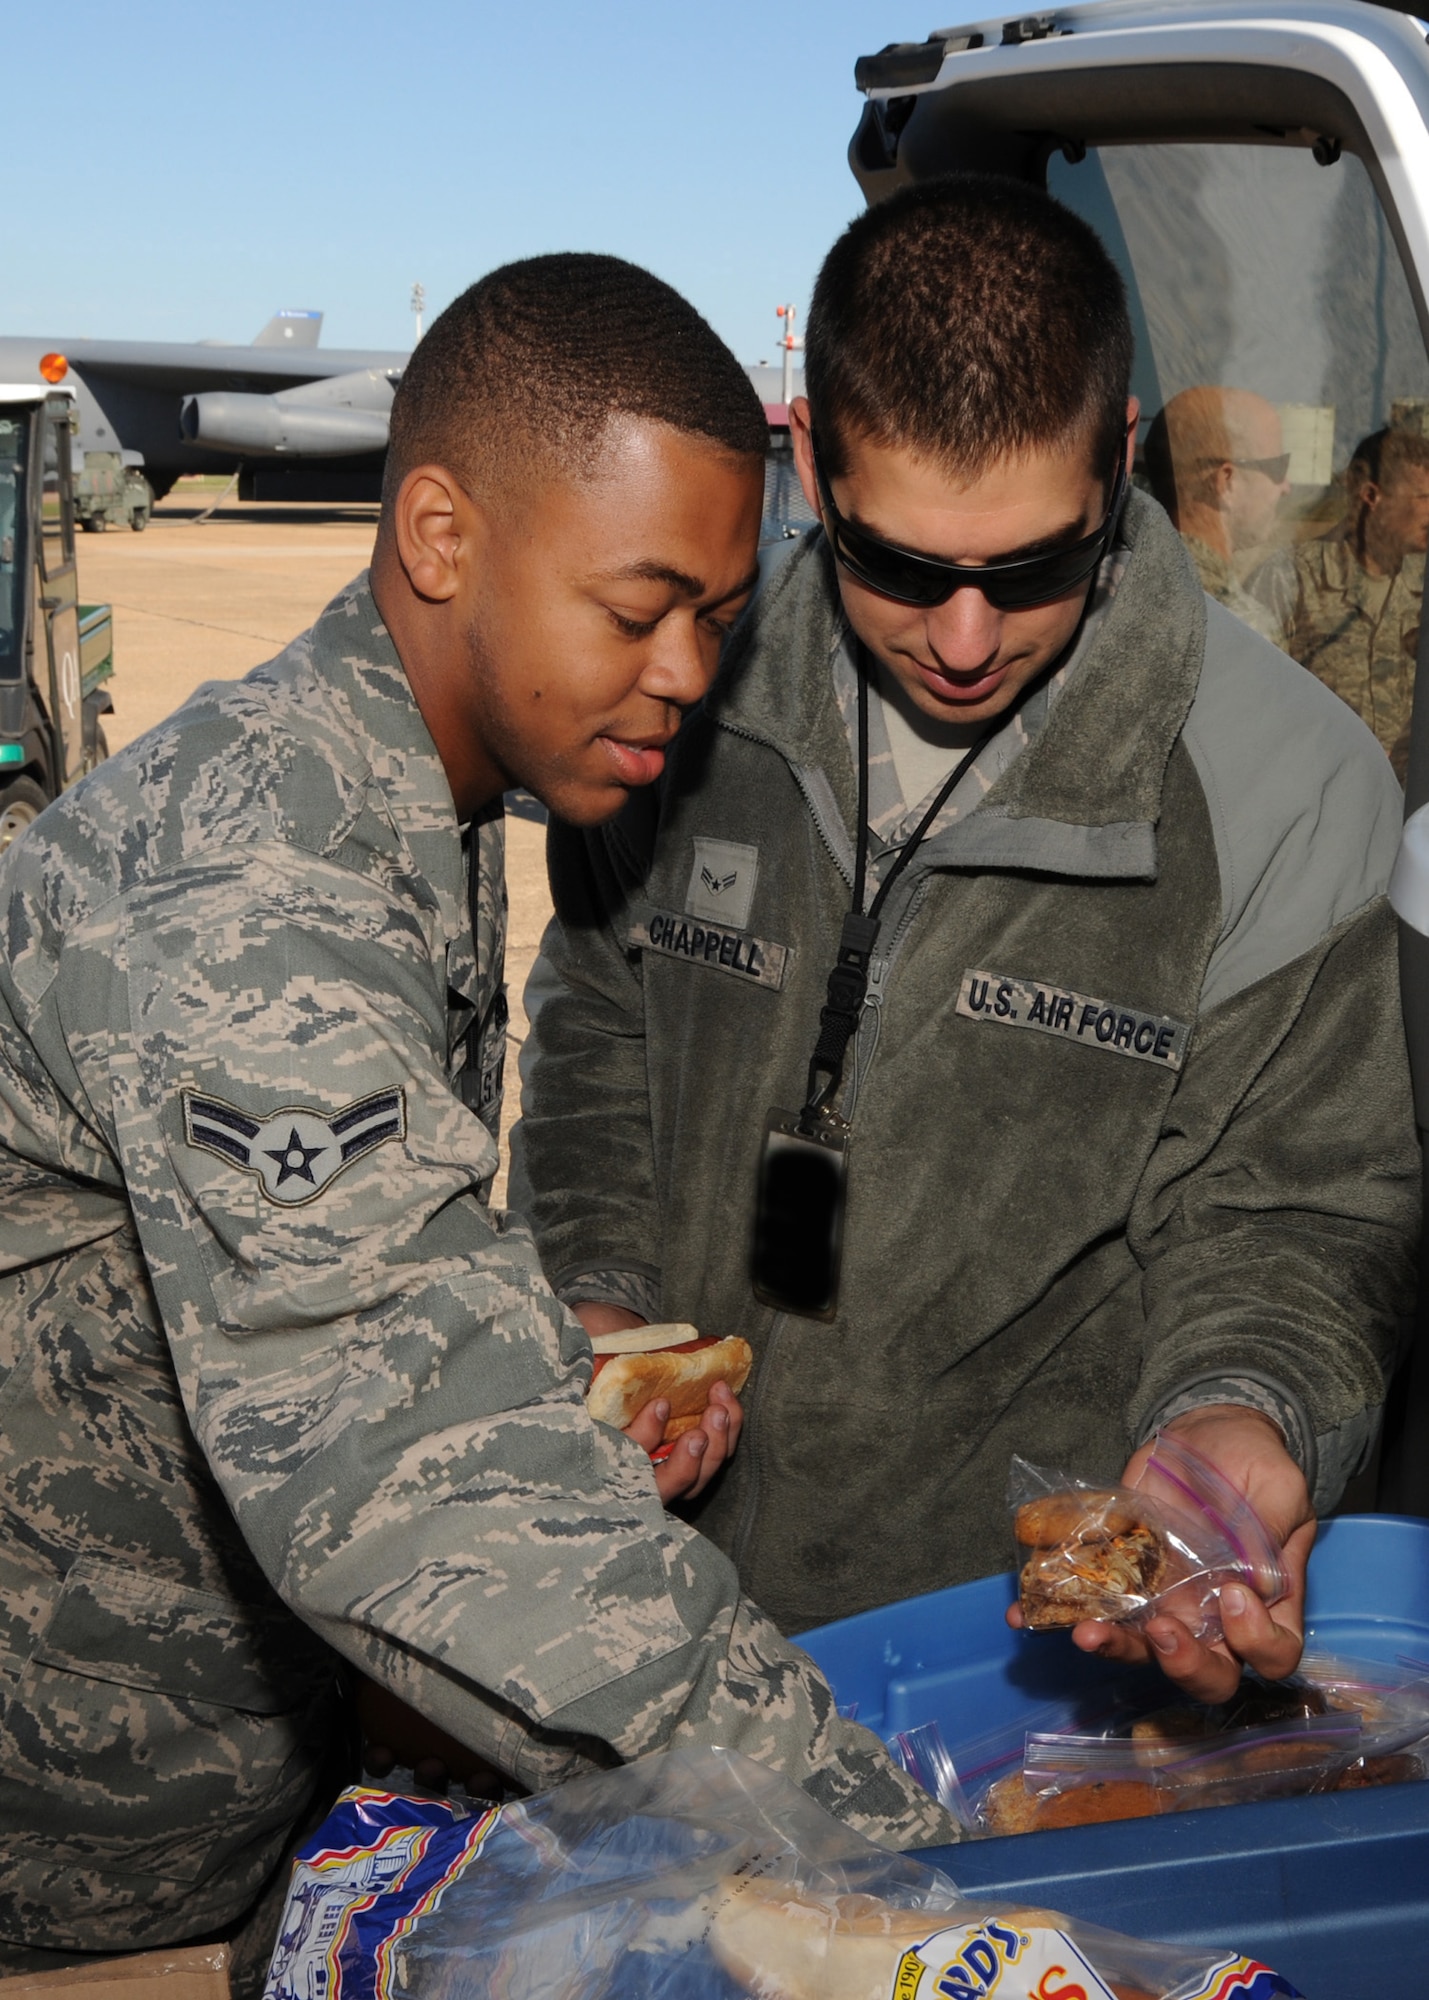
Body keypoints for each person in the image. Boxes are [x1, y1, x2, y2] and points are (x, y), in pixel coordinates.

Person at [0, 255, 959, 1989]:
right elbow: (424, 1497)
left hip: (209, 1820)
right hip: (64, 1873)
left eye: (721, 617)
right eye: (637, 605)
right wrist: (881, 1833)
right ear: (440, 539)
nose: (685, 672)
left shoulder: (402, 799)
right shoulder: (249, 891)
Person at [514, 179, 1418, 1715]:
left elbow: (1295, 1218)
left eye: (1037, 567)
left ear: (1117, 450)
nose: (963, 639)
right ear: (812, 456)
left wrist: (1233, 1422)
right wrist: (600, 1307)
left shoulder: (1287, 789)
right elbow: (600, 1023)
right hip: (633, 1617)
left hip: (1006, 1674)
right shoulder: (677, 692)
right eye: (904, 567)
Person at [1250, 425, 1429, 780]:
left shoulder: (1422, 583)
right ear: (1372, 496)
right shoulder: (1294, 578)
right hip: (1322, 795)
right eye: (1424, 497)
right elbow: (1254, 703)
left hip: (1411, 811)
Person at [1142, 386, 1289, 643]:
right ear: (1226, 481)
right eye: (1278, 467)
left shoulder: (1116, 584)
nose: (1285, 487)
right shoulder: (1244, 626)